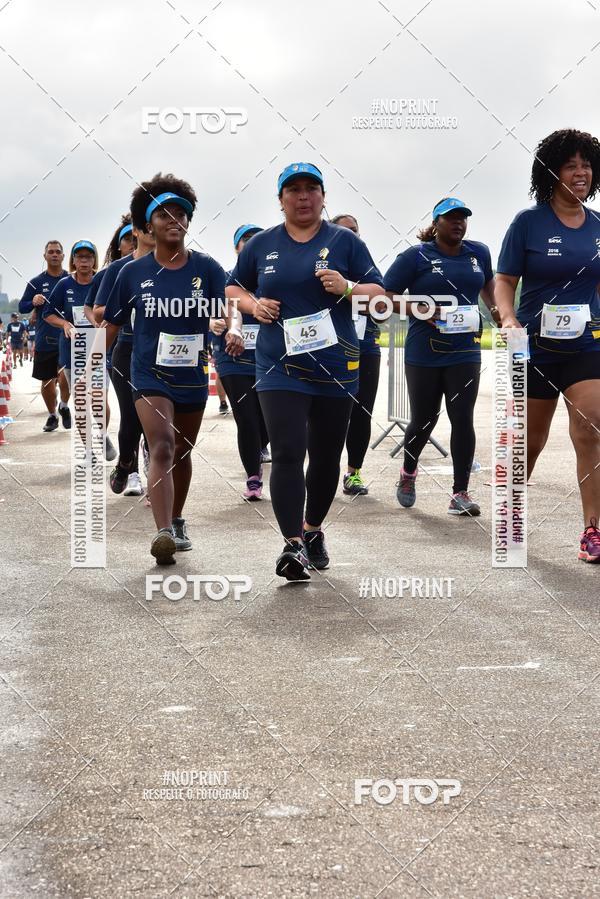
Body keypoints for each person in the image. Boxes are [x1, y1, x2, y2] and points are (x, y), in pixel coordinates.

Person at [226, 162, 384, 580]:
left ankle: (314, 530)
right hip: (280, 368)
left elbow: (378, 293)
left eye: (311, 188)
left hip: (334, 367)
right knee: (289, 453)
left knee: (327, 457)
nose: (302, 196)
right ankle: (292, 544)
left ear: (323, 196)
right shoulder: (262, 244)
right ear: (280, 200)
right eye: (293, 190)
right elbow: (232, 287)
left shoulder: (345, 242)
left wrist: (348, 287)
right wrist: (253, 306)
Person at [103, 172, 240, 565]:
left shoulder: (208, 268)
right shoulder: (130, 273)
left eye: (180, 213)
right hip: (148, 374)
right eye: (163, 214)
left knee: (182, 450)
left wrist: (231, 330)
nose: (172, 220)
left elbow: (226, 307)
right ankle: (162, 532)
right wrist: (90, 367)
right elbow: (110, 325)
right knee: (161, 443)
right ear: (149, 224)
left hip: (192, 376)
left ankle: (178, 518)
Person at [496, 128, 600, 563]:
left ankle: (593, 529)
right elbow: (505, 280)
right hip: (535, 347)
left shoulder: (598, 227)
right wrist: (507, 317)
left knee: (591, 427)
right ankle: (511, 518)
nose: (581, 173)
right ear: (552, 173)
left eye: (587, 165)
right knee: (529, 442)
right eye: (571, 165)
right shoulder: (528, 223)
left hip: (586, 344)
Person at [384, 197, 497, 515]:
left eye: (463, 218)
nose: (459, 223)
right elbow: (386, 296)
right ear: (436, 223)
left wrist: (498, 310)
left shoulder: (479, 252)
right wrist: (419, 308)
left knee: (463, 417)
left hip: (465, 349)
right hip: (425, 352)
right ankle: (408, 472)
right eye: (451, 218)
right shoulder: (415, 256)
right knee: (425, 418)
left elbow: (488, 283)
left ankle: (460, 493)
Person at [94, 218, 155, 497]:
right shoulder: (119, 269)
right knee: (131, 415)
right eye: (131, 237)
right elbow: (98, 312)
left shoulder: (171, 265)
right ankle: (127, 468)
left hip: (162, 350)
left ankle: (154, 468)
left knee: (157, 416)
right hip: (126, 348)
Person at [211, 223, 270, 500]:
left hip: (269, 358)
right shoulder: (223, 278)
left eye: (257, 238)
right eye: (245, 239)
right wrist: (210, 322)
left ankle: (259, 446)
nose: (251, 243)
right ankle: (254, 478)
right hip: (233, 357)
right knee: (246, 418)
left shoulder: (274, 278)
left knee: (268, 422)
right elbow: (205, 309)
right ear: (237, 248)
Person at [43, 241, 116, 458]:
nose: (84, 260)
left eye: (88, 256)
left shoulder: (103, 281)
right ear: (73, 260)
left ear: (95, 259)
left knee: (99, 398)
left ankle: (102, 436)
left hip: (100, 347)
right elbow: (48, 313)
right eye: (79, 256)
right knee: (82, 400)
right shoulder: (64, 285)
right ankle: (87, 449)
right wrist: (65, 324)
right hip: (73, 351)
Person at [331, 213, 381, 496]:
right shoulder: (320, 264)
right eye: (345, 230)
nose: (352, 235)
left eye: (355, 230)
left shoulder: (365, 266)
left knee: (362, 412)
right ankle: (323, 468)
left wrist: (352, 290)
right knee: (327, 414)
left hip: (365, 348)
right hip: (328, 351)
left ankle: (354, 473)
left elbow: (383, 306)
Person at [18, 240, 71, 432]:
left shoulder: (71, 279)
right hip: (45, 339)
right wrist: (32, 301)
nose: (55, 255)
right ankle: (52, 415)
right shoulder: (37, 282)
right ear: (45, 256)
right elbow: (22, 307)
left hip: (68, 338)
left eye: (58, 252)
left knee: (66, 377)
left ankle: (64, 405)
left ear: (64, 256)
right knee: (47, 382)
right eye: (51, 252)